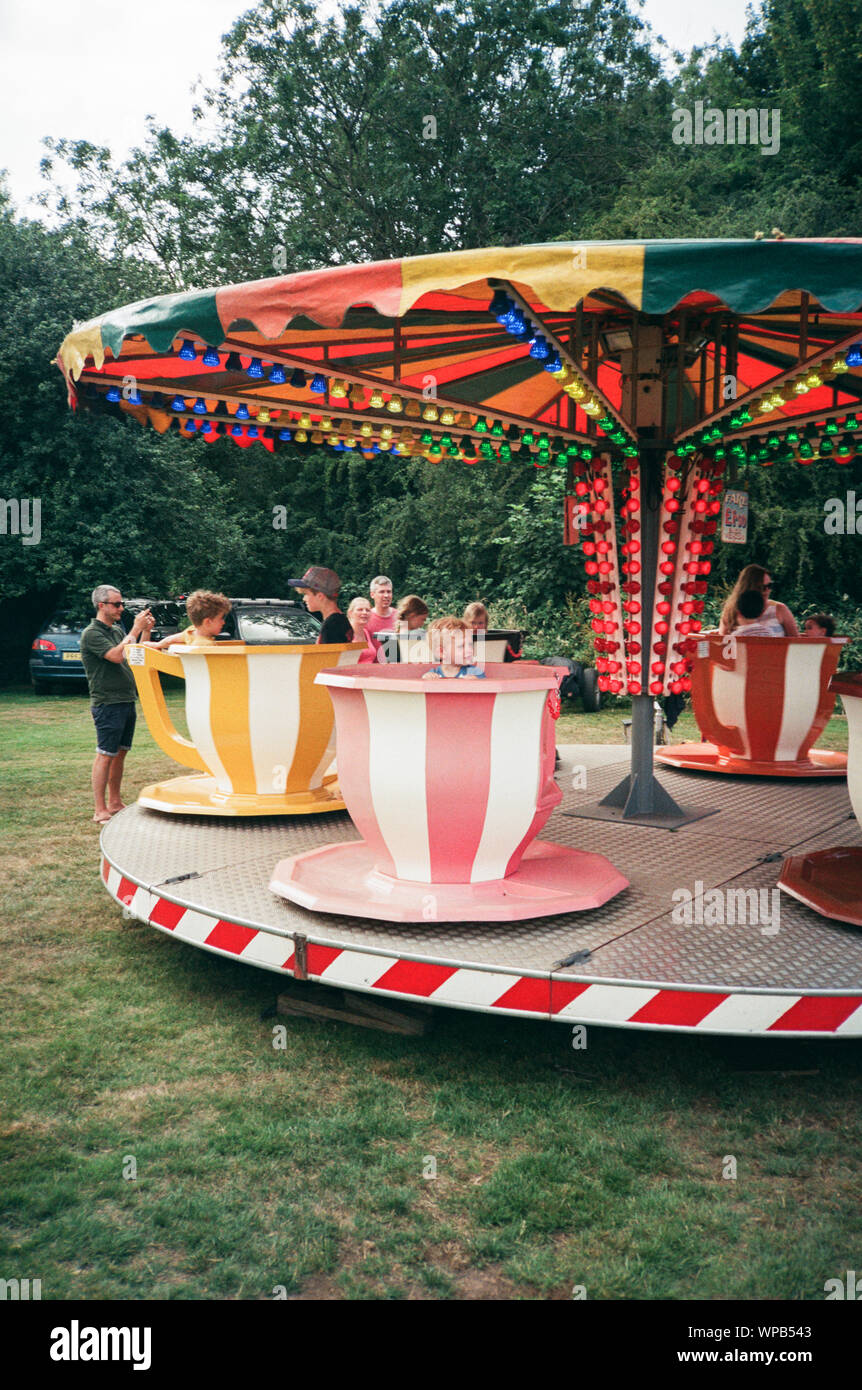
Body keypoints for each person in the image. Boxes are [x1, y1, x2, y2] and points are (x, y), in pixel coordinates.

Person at [79, 585, 154, 824]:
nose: (121, 608)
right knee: (105, 755)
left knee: (120, 754)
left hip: (125, 700)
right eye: (117, 604)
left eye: (121, 604)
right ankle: (99, 809)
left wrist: (146, 632)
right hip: (107, 703)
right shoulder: (92, 633)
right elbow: (115, 656)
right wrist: (134, 629)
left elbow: (136, 655)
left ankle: (114, 802)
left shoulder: (115, 630)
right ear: (102, 606)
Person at [719, 564, 798, 637]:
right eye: (762, 587)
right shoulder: (731, 611)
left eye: (770, 585)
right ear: (749, 587)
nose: (767, 590)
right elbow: (722, 643)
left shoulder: (780, 609)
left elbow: (797, 642)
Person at [146, 590, 232, 649]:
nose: (223, 622)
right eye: (220, 618)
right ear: (208, 622)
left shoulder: (190, 632)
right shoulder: (205, 645)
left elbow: (170, 640)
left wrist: (157, 644)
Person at [288, 565, 353, 643]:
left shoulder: (332, 626)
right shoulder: (339, 620)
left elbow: (329, 655)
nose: (304, 599)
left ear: (320, 596)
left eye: (306, 594)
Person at [364, 575, 398, 656]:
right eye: (382, 592)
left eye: (389, 591)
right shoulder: (365, 618)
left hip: (396, 666)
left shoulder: (401, 617)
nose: (386, 595)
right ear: (372, 595)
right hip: (373, 667)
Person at [346, 596, 377, 662]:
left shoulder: (366, 633)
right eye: (360, 609)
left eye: (367, 610)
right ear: (350, 613)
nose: (364, 612)